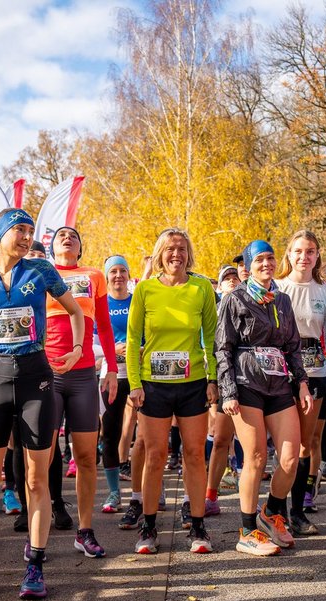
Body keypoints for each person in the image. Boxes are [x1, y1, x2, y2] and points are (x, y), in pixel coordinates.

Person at [0, 208, 84, 600]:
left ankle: (35, 566)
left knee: (35, 479)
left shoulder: (41, 271)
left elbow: (76, 311)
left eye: (30, 230)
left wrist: (77, 348)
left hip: (36, 378)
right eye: (19, 230)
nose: (27, 236)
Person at [216, 240, 313, 556]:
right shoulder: (234, 300)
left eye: (271, 258)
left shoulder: (282, 301)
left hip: (279, 385)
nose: (266, 263)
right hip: (245, 386)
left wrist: (301, 384)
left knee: (290, 457)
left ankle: (271, 512)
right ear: (247, 265)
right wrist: (227, 390)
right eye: (259, 259)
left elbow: (293, 346)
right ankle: (247, 530)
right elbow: (223, 348)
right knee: (256, 456)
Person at [126, 228, 217, 555]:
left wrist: (213, 379)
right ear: (160, 254)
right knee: (155, 456)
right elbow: (133, 338)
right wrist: (135, 385)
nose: (176, 254)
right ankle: (148, 526)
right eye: (169, 249)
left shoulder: (201, 287)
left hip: (193, 385)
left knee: (194, 455)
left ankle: (197, 525)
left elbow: (212, 337)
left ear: (188, 253)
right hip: (153, 385)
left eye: (181, 248)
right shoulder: (145, 290)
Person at [45, 227, 118, 558]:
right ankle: (37, 537)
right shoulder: (41, 273)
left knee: (87, 456)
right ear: (51, 246)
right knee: (43, 457)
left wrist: (112, 370)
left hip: (84, 375)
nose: (66, 237)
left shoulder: (94, 275)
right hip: (46, 374)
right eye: (60, 235)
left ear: (80, 246)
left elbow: (104, 325)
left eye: (72, 235)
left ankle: (85, 530)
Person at [275, 230, 326, 536]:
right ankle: (273, 509)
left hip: (315, 373)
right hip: (279, 375)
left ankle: (296, 512)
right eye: (299, 251)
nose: (304, 257)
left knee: (304, 444)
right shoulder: (277, 288)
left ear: (317, 256)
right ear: (289, 254)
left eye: (311, 251)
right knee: (283, 446)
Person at [204, 264, 243, 517]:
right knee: (220, 439)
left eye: (235, 278)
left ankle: (248, 498)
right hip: (222, 378)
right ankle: (210, 496)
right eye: (226, 278)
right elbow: (210, 345)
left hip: (249, 378)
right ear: (219, 285)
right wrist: (213, 380)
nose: (231, 281)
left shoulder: (252, 303)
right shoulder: (215, 309)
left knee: (250, 444)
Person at [100, 255, 133, 516]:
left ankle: (151, 491)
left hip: (138, 373)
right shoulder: (101, 303)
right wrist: (111, 350)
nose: (118, 275)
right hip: (110, 375)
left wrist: (137, 349)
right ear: (106, 276)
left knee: (146, 435)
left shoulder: (136, 301)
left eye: (123, 270)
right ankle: (114, 493)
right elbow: (89, 338)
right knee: (109, 434)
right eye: (113, 271)